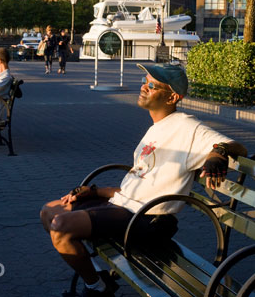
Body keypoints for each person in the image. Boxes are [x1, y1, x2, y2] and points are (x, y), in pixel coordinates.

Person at [39, 63, 247, 297]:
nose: (143, 87)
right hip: (127, 208)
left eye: (151, 85)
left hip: (150, 219)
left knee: (62, 226)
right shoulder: (156, 129)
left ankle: (96, 288)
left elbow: (236, 147)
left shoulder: (188, 127)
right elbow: (138, 186)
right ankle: (99, 277)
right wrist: (95, 192)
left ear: (172, 97)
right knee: (49, 211)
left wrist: (218, 153)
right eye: (144, 80)